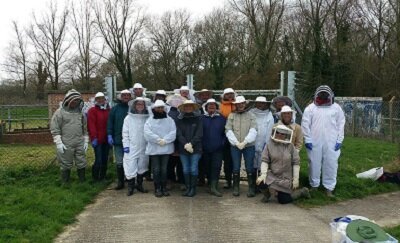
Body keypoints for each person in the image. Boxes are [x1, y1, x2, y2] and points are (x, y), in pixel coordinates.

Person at [301, 85, 345, 197]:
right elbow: (305, 124)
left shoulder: (336, 108)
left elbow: (341, 124)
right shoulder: (310, 108)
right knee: (313, 163)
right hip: (314, 140)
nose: (323, 96)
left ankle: (329, 188)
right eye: (321, 94)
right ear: (316, 95)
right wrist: (308, 139)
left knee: (331, 163)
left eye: (325, 94)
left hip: (332, 140)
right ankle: (314, 185)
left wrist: (339, 139)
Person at [256, 125, 310, 204]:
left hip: (286, 178)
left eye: (282, 134)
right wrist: (263, 174)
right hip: (273, 175)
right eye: (277, 132)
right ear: (274, 132)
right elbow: (265, 160)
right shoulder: (269, 145)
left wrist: (295, 179)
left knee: (283, 200)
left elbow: (296, 162)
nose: (279, 135)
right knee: (260, 181)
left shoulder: (291, 146)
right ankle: (267, 195)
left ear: (286, 135)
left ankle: (302, 192)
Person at [50, 89, 89, 184]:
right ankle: (65, 182)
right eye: (73, 100)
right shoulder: (59, 113)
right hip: (66, 142)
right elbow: (55, 128)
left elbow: (85, 127)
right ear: (67, 100)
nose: (75, 103)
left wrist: (86, 140)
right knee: (66, 163)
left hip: (79, 142)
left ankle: (82, 181)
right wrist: (58, 142)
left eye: (77, 101)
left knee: (81, 161)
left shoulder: (80, 113)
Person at [225, 95, 257, 197]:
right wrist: (236, 142)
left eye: (242, 103)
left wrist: (245, 142)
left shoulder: (251, 115)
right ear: (236, 105)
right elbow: (228, 130)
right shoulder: (231, 115)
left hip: (249, 145)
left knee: (249, 167)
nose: (240, 105)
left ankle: (251, 188)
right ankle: (236, 187)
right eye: (238, 104)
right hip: (235, 146)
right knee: (236, 167)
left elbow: (254, 129)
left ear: (245, 104)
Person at [144, 100, 177, 197]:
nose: (160, 109)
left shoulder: (170, 120)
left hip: (166, 148)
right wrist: (158, 140)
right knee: (156, 169)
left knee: (164, 169)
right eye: (158, 108)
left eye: (161, 107)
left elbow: (173, 132)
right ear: (154, 109)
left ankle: (163, 187)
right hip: (154, 149)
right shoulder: (149, 120)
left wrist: (165, 140)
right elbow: (147, 133)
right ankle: (157, 188)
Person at [122, 97, 150, 196]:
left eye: (142, 104)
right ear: (134, 105)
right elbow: (125, 133)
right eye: (138, 104)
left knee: (142, 166)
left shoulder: (147, 117)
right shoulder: (128, 118)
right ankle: (130, 187)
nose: (140, 106)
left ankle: (140, 185)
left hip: (144, 146)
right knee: (130, 166)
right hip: (132, 146)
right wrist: (126, 145)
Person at [176, 100, 203, 197]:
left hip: (196, 148)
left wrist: (191, 144)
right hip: (183, 148)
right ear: (183, 108)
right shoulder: (179, 119)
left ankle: (193, 189)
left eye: (190, 106)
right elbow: (178, 134)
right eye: (186, 106)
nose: (188, 108)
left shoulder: (198, 119)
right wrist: (185, 144)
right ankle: (188, 187)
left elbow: (199, 134)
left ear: (193, 108)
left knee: (193, 168)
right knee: (186, 169)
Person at [107, 89, 132, 190]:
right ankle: (120, 182)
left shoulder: (133, 108)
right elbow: (110, 123)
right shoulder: (114, 109)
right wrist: (109, 134)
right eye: (124, 95)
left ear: (130, 97)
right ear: (121, 97)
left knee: (130, 161)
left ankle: (131, 181)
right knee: (119, 162)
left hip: (131, 140)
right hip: (118, 140)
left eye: (127, 95)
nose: (126, 97)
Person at [202, 98, 226, 197]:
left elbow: (225, 133)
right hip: (205, 148)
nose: (211, 107)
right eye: (209, 105)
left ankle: (214, 187)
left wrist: (222, 143)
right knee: (206, 167)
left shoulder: (222, 119)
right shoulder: (201, 118)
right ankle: (209, 184)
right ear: (206, 107)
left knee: (216, 167)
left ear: (216, 107)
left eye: (213, 105)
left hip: (218, 149)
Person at [250, 96, 274, 187]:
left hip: (264, 144)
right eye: (258, 103)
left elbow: (269, 131)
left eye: (262, 103)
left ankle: (260, 185)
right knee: (252, 164)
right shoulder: (251, 113)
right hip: (251, 143)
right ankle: (252, 185)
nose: (260, 105)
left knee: (262, 164)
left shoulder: (269, 115)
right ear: (255, 103)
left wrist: (266, 144)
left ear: (266, 104)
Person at [87, 92, 110, 181]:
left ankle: (103, 176)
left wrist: (110, 136)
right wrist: (94, 137)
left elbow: (109, 124)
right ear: (95, 100)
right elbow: (91, 125)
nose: (101, 100)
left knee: (105, 159)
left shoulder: (108, 110)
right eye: (98, 99)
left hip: (106, 139)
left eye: (102, 98)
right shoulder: (92, 111)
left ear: (105, 100)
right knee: (99, 159)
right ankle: (95, 177)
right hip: (97, 139)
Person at [166, 94, 186, 187]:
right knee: (170, 163)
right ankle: (170, 180)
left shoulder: (185, 113)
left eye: (179, 100)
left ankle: (182, 181)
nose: (177, 102)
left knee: (181, 163)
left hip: (182, 142)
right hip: (171, 142)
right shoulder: (168, 113)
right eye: (175, 100)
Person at [220, 88, 236, 189]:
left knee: (235, 160)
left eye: (231, 94)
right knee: (226, 160)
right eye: (227, 94)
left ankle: (235, 181)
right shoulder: (220, 106)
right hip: (223, 136)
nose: (229, 96)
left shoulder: (238, 104)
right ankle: (228, 180)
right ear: (224, 95)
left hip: (236, 135)